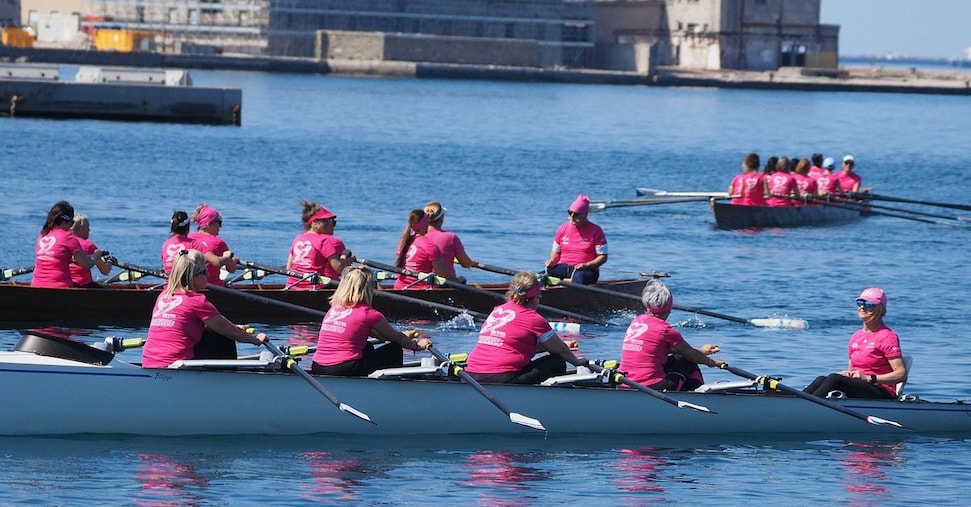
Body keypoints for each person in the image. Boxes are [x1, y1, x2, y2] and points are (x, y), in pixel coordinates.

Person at [141, 249, 267, 368]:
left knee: (213, 332)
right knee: (224, 337)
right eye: (204, 271)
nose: (208, 274)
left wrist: (233, 327)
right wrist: (255, 340)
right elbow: (230, 332)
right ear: (193, 276)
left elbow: (186, 324)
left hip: (148, 363)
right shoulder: (196, 301)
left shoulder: (163, 296)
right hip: (176, 368)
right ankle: (229, 383)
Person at [465, 270, 588, 384]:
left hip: (471, 374)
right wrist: (578, 362)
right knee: (557, 361)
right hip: (502, 377)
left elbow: (514, 345)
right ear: (534, 299)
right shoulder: (533, 319)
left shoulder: (497, 311)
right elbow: (561, 350)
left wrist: (560, 345)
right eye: (539, 297)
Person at [311, 266, 432, 376]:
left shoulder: (334, 308)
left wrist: (403, 335)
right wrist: (417, 346)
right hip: (343, 368)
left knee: (367, 346)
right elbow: (396, 339)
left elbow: (381, 335)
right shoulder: (368, 314)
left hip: (317, 366)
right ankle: (390, 390)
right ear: (367, 289)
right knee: (394, 349)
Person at [619, 279, 725, 391]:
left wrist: (701, 351)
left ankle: (692, 393)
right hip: (650, 387)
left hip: (625, 382)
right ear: (669, 307)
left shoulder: (637, 321)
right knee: (687, 361)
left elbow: (654, 349)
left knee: (678, 358)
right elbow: (692, 356)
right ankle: (699, 398)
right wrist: (712, 362)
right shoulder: (665, 330)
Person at [804, 288, 906, 399]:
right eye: (860, 303)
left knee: (835, 379)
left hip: (881, 390)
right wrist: (848, 374)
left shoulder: (888, 336)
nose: (862, 307)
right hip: (859, 387)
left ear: (880, 309)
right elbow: (852, 370)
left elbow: (901, 374)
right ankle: (795, 400)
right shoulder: (856, 336)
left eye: (868, 304)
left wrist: (868, 378)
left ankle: (805, 406)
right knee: (821, 379)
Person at [31, 201, 103, 288]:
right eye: (71, 222)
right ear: (65, 221)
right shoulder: (68, 237)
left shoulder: (43, 235)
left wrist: (71, 260)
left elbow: (55, 259)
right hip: (61, 287)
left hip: (36, 285)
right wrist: (96, 255)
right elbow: (87, 264)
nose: (70, 227)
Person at [286, 200, 354, 290]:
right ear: (314, 223)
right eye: (328, 221)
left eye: (333, 222)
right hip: (318, 288)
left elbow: (289, 267)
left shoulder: (299, 238)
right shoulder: (327, 240)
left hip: (292, 286)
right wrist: (346, 259)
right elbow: (340, 269)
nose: (333, 225)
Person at [544, 195, 607, 285]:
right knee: (540, 276)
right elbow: (556, 252)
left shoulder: (596, 230)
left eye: (576, 214)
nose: (572, 216)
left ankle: (573, 292)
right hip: (565, 268)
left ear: (585, 215)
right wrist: (552, 261)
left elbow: (603, 257)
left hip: (587, 270)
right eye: (570, 213)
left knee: (578, 277)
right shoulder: (562, 228)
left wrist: (587, 265)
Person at [393, 209, 455, 289]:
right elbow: (444, 275)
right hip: (421, 291)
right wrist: (459, 280)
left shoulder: (403, 242)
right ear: (425, 224)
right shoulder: (430, 246)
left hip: (399, 288)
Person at [423, 201, 478, 284]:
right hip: (445, 283)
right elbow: (466, 263)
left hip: (420, 281)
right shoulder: (451, 237)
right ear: (441, 219)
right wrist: (473, 263)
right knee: (462, 279)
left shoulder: (417, 236)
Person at [161, 210, 222, 275]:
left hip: (169, 284)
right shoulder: (195, 245)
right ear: (188, 226)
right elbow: (216, 262)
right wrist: (227, 257)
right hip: (188, 284)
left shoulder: (166, 244)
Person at [188, 203, 236, 286]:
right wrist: (232, 260)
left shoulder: (188, 238)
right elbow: (231, 269)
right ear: (209, 224)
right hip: (213, 288)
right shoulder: (218, 242)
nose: (220, 227)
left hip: (189, 286)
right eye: (219, 223)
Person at [68, 214, 112, 288]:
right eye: (88, 227)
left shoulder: (64, 242)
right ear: (81, 230)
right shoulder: (88, 245)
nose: (89, 230)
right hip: (84, 285)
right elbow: (105, 271)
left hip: (67, 283)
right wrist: (110, 262)